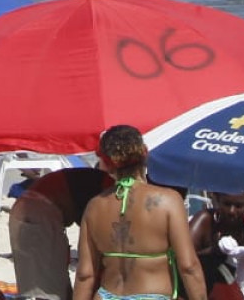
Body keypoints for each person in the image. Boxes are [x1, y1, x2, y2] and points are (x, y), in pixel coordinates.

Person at [71, 125, 205, 300]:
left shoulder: (95, 206)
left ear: (106, 162)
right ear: (145, 152)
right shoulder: (168, 201)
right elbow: (188, 266)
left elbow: (85, 274)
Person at [11, 163, 114, 300]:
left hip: (29, 208)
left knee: (44, 280)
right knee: (46, 289)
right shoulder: (110, 192)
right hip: (37, 211)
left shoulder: (103, 184)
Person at [189, 179, 244, 300]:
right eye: (227, 204)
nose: (231, 211)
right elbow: (185, 258)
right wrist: (213, 252)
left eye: (238, 206)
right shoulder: (205, 221)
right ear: (218, 200)